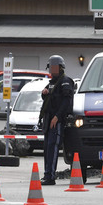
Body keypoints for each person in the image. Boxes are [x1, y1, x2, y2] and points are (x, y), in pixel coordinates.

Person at [38, 55, 74, 185]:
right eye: (50, 67)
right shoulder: (52, 83)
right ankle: (47, 174)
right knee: (47, 148)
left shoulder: (65, 81)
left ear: (60, 67)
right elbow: (50, 100)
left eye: (54, 67)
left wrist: (57, 117)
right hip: (48, 120)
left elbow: (66, 102)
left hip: (57, 120)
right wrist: (44, 93)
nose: (51, 70)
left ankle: (50, 177)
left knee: (53, 148)